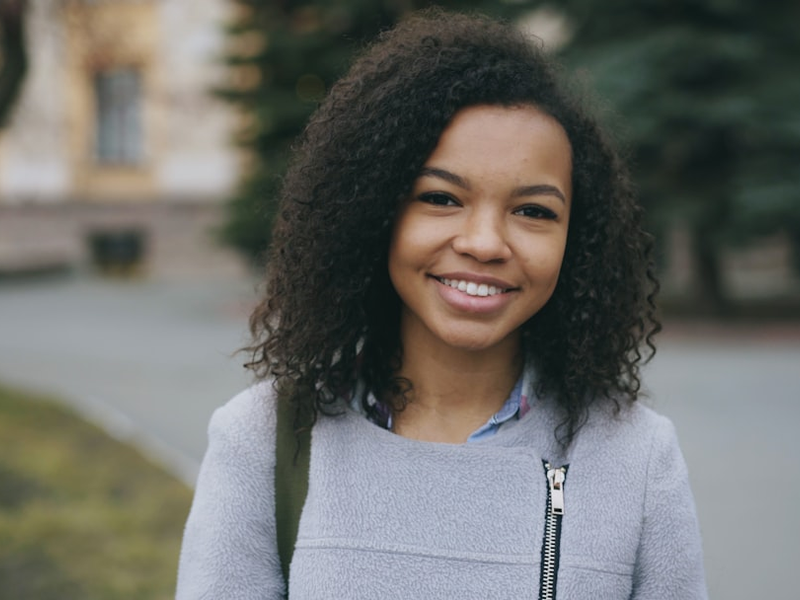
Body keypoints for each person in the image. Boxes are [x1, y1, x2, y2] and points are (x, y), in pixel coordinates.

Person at [176, 8, 706, 600]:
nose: (483, 242)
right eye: (440, 197)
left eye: (533, 211)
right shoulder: (265, 441)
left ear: (575, 241)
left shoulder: (636, 457)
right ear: (376, 211)